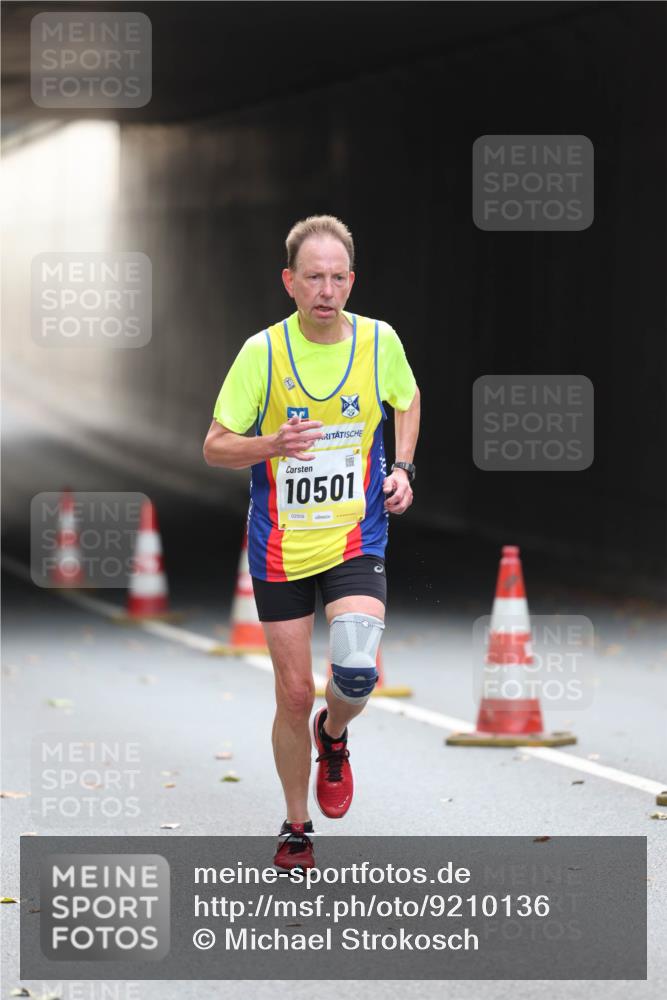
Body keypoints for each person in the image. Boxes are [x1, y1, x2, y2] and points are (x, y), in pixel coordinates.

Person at [203, 215, 420, 870]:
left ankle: (334, 736)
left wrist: (402, 467)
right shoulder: (261, 354)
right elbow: (214, 445)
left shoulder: (379, 342)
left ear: (349, 280)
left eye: (336, 277)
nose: (325, 290)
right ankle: (296, 824)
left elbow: (405, 400)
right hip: (280, 548)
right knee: (294, 693)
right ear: (289, 283)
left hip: (356, 536)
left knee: (354, 672)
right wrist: (270, 444)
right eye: (312, 278)